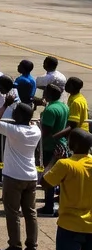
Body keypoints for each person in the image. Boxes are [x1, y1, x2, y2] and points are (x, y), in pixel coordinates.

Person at [0, 96, 41, 250]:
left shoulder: (14, 131)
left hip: (13, 177)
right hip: (31, 176)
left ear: (18, 117)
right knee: (30, 212)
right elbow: (30, 122)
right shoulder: (36, 130)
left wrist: (6, 104)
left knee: (13, 213)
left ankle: (15, 247)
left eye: (15, 112)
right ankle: (31, 247)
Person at [40, 128, 92, 250]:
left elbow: (44, 182)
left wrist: (53, 160)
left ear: (71, 145)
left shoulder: (65, 164)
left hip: (69, 225)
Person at [42, 85, 72, 216]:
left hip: (50, 147)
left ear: (49, 94)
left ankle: (48, 206)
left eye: (45, 91)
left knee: (49, 176)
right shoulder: (64, 106)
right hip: (62, 145)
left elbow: (46, 131)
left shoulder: (50, 109)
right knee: (62, 178)